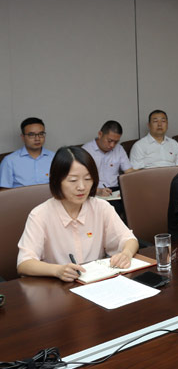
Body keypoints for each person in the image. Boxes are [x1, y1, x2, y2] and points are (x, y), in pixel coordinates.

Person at [16, 146, 139, 282]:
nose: (82, 187)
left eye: (88, 179)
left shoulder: (101, 207)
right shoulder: (40, 215)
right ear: (56, 180)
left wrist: (126, 254)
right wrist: (57, 270)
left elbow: (129, 239)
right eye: (73, 180)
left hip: (97, 282)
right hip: (58, 287)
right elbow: (24, 264)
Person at [82, 120, 134, 197]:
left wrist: (126, 189)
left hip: (115, 191)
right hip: (94, 191)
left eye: (116, 142)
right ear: (100, 134)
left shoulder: (119, 149)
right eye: (109, 141)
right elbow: (81, 180)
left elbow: (129, 173)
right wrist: (98, 191)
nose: (112, 145)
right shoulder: (86, 151)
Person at [0, 117, 55, 189]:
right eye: (31, 135)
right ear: (23, 137)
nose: (37, 139)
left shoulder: (54, 157)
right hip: (20, 196)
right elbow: (4, 190)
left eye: (41, 134)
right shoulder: (9, 161)